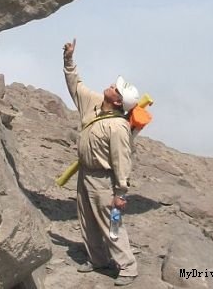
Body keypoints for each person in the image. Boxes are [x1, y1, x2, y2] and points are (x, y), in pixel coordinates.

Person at [63, 38, 139, 287]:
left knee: (111, 223)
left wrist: (121, 193)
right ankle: (98, 260)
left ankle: (127, 267)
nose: (111, 86)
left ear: (118, 102)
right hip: (86, 174)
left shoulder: (118, 126)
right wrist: (69, 60)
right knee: (87, 219)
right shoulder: (95, 104)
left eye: (116, 89)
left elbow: (121, 161)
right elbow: (76, 86)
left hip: (104, 180)